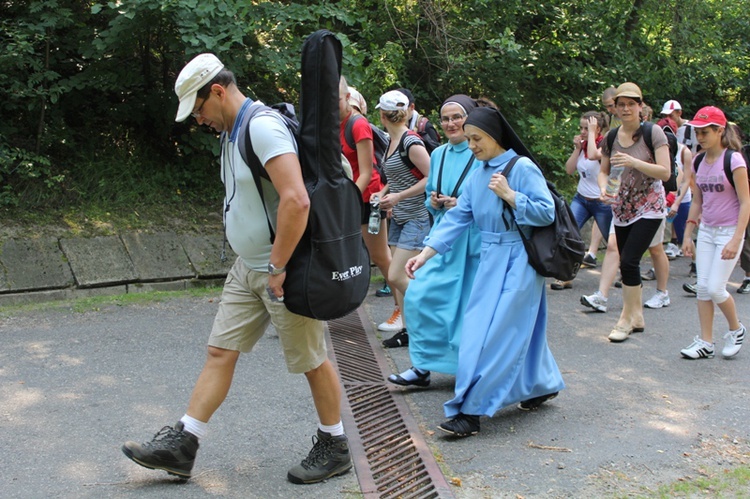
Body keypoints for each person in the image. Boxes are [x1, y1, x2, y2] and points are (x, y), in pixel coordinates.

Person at [121, 54, 352, 484]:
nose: (199, 120)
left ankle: (335, 445)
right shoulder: (232, 131)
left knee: (312, 360)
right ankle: (183, 445)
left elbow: (296, 200)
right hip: (248, 267)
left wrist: (279, 265)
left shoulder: (261, 127)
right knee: (219, 350)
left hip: (282, 268)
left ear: (218, 91)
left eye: (199, 110)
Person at [405, 106, 565, 437]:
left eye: (477, 139)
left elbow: (546, 213)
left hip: (520, 262)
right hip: (490, 260)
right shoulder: (479, 174)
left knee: (497, 336)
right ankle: (541, 384)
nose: (472, 146)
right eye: (470, 139)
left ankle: (470, 411)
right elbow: (457, 219)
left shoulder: (521, 167)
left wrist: (511, 196)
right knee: (485, 331)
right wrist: (425, 254)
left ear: (494, 137)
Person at [389, 94, 482, 385]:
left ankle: (467, 368)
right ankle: (422, 366)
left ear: (470, 118)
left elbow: (490, 200)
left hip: (470, 243)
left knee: (464, 308)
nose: (451, 123)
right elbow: (431, 190)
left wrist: (462, 204)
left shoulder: (481, 152)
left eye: (457, 117)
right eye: (446, 118)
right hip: (440, 238)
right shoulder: (439, 153)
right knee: (418, 298)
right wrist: (434, 201)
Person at [598, 82, 671, 342]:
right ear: (615, 109)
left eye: (631, 104)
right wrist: (604, 190)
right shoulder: (611, 137)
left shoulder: (654, 133)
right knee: (628, 262)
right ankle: (637, 316)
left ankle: (625, 320)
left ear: (641, 107)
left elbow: (665, 172)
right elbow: (604, 171)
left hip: (650, 206)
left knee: (628, 260)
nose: (626, 108)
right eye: (621, 105)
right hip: (622, 207)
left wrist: (633, 161)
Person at [679, 106, 748, 359]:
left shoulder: (734, 160)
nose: (700, 137)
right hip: (707, 230)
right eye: (697, 132)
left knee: (717, 288)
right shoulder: (698, 160)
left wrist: (736, 238)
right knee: (702, 288)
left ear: (720, 131)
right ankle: (706, 342)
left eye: (705, 132)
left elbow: (746, 202)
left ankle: (736, 329)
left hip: (729, 231)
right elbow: (697, 201)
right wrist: (688, 235)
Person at [338, 78, 399, 331]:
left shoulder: (358, 124)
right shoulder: (335, 123)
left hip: (367, 200)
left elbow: (366, 172)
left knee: (381, 256)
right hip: (348, 197)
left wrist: (347, 201)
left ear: (347, 98)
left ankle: (403, 310)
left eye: (336, 101)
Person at [372, 90, 432, 348]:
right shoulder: (391, 141)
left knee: (397, 276)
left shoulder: (411, 142)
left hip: (417, 216)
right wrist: (383, 192)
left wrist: (397, 197)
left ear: (382, 115)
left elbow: (432, 178)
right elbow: (395, 177)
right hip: (399, 216)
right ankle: (409, 331)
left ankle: (434, 314)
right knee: (401, 281)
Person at [551, 111, 611, 290]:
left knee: (613, 240)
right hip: (582, 199)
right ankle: (565, 276)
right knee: (567, 234)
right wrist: (577, 148)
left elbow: (594, 155)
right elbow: (569, 170)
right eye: (581, 128)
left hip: (602, 202)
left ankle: (627, 273)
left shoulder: (604, 145)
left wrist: (591, 135)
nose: (582, 132)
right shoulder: (584, 147)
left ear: (597, 129)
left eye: (587, 128)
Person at [397, 87, 442, 153]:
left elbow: (437, 156)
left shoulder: (425, 127)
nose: (397, 113)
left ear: (412, 107)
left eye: (402, 109)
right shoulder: (391, 124)